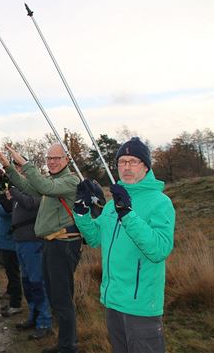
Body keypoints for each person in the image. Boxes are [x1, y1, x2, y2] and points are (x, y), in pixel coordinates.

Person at [73, 137, 175, 353]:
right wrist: (81, 213)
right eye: (122, 162)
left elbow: (159, 250)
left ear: (146, 167)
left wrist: (128, 214)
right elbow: (94, 238)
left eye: (133, 161)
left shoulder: (160, 202)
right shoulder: (112, 205)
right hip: (113, 300)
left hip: (141, 304)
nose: (126, 167)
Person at [0, 144, 80, 353]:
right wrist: (9, 168)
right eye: (49, 158)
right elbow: (27, 187)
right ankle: (63, 343)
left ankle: (68, 347)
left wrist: (25, 163)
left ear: (67, 160)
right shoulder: (52, 181)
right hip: (50, 243)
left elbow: (44, 188)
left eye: (56, 158)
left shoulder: (70, 181)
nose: (51, 161)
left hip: (64, 244)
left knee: (62, 299)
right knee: (53, 296)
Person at [9, 162, 53, 341]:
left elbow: (28, 204)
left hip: (33, 244)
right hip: (20, 242)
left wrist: (13, 190)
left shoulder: (37, 192)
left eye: (21, 170)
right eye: (16, 170)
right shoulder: (20, 193)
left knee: (37, 283)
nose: (19, 173)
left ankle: (44, 322)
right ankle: (33, 316)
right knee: (26, 283)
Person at [0, 186, 23, 318]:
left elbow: (3, 212)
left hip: (10, 244)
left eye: (8, 191)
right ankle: (12, 300)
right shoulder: (8, 202)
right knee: (10, 273)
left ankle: (16, 304)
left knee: (13, 275)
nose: (6, 193)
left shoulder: (13, 204)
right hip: (5, 243)